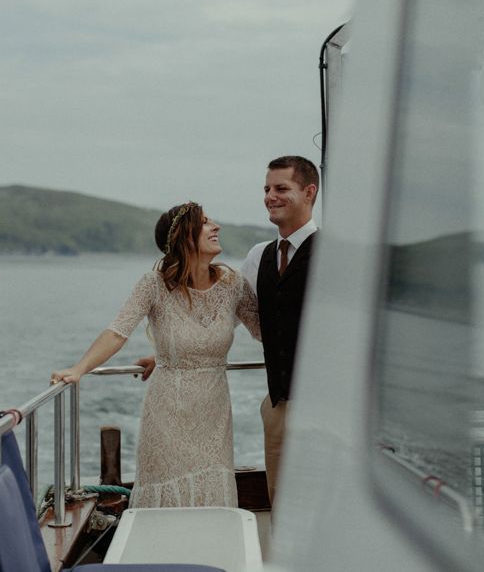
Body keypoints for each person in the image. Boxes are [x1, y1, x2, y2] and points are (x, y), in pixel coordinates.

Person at [51, 202, 260, 508]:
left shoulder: (233, 285)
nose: (216, 226)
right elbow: (117, 331)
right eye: (205, 223)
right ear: (183, 238)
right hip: (167, 412)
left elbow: (264, 331)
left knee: (210, 496)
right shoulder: (154, 285)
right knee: (167, 498)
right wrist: (79, 368)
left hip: (214, 413)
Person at [240, 155, 319, 506]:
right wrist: (164, 353)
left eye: (282, 188)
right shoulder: (259, 256)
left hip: (326, 408)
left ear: (309, 192)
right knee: (280, 502)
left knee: (322, 504)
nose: (271, 196)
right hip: (278, 406)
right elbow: (223, 315)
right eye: (267, 189)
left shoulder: (337, 254)